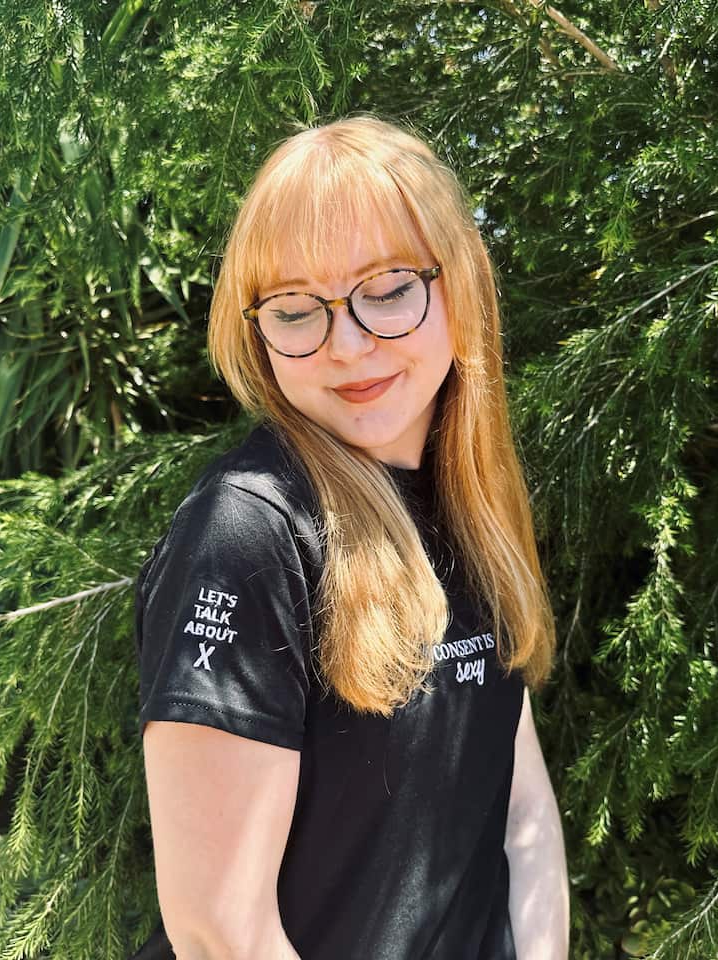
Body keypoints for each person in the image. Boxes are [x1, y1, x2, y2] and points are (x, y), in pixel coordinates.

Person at [132, 114, 569, 960]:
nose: (348, 344)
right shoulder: (249, 534)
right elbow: (221, 930)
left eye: (389, 289)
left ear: (459, 287)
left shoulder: (464, 508)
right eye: (297, 310)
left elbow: (518, 817)